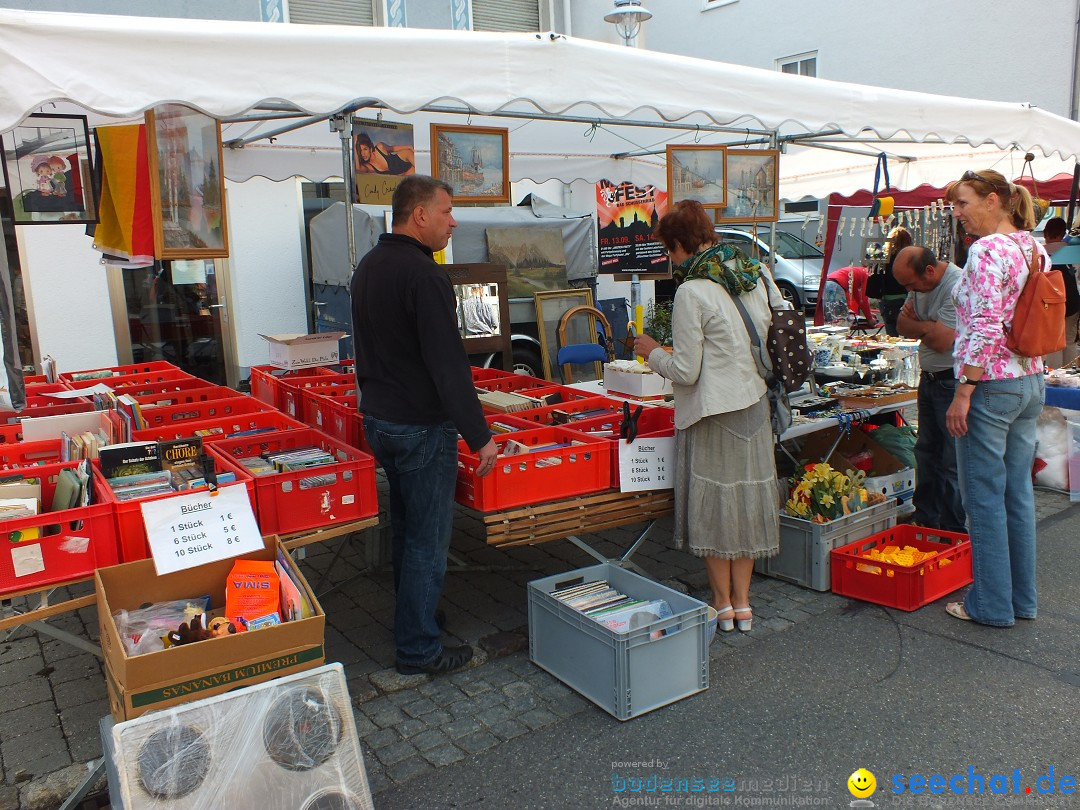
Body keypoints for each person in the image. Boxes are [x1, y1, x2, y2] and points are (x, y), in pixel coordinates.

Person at [351, 174, 498, 673]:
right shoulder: (426, 275)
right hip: (419, 425)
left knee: (408, 529)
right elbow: (447, 364)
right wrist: (481, 436)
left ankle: (415, 618)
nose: (453, 221)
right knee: (427, 540)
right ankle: (418, 648)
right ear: (419, 215)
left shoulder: (369, 266)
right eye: (447, 211)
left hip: (382, 419)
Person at [633, 200, 779, 634]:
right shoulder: (754, 274)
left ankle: (722, 603)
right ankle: (745, 603)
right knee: (747, 503)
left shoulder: (692, 291)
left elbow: (686, 371)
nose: (670, 260)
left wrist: (652, 353)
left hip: (713, 412)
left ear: (680, 245)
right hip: (754, 404)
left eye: (670, 251)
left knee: (717, 508)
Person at [943, 168, 1047, 627]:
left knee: (983, 499)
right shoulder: (1031, 244)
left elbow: (985, 324)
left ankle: (989, 605)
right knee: (1017, 495)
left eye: (963, 203)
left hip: (989, 385)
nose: (957, 213)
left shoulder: (987, 250)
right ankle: (1020, 601)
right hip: (1028, 378)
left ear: (992, 200)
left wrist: (963, 390)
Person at [891, 244, 966, 533]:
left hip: (951, 379)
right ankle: (926, 517)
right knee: (925, 452)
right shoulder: (918, 286)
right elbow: (900, 325)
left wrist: (918, 325)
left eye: (910, 284)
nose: (909, 290)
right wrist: (927, 326)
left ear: (930, 271)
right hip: (930, 378)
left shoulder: (955, 285)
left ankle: (952, 528)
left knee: (949, 460)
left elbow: (943, 341)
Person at [1041, 216, 1080, 367]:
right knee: (1069, 341)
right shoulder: (1073, 248)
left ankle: (1055, 375)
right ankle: (1071, 372)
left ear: (1046, 233)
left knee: (1054, 342)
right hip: (1073, 302)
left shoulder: (1042, 252)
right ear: (1062, 233)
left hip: (1052, 303)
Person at [877, 226, 914, 336]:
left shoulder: (883, 258)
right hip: (906, 298)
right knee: (909, 334)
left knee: (891, 335)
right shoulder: (910, 258)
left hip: (887, 300)